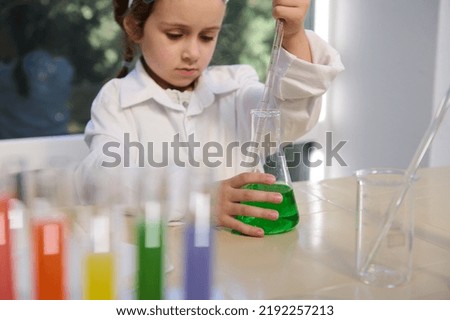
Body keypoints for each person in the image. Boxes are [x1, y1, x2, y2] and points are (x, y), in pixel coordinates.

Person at [77, 0, 344, 237]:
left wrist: (293, 34)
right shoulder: (116, 99)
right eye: (175, 35)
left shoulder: (236, 86)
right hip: (165, 260)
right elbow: (100, 178)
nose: (192, 53)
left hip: (246, 262)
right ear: (135, 28)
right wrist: (197, 198)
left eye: (206, 36)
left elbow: (288, 119)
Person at [0, 2, 74, 139]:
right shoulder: (63, 69)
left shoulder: (5, 76)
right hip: (61, 148)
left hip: (12, 154)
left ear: (10, 36)